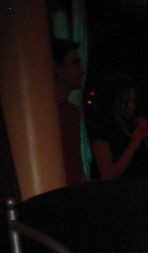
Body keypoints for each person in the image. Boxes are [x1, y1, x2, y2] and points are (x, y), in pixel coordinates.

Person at [88, 74, 148, 180]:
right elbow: (107, 176)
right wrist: (134, 144)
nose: (132, 106)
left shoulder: (132, 126)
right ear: (112, 102)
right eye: (125, 102)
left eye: (133, 101)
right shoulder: (103, 132)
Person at [52, 38, 87, 186]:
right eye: (75, 63)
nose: (82, 70)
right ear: (56, 67)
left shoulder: (72, 112)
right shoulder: (43, 115)